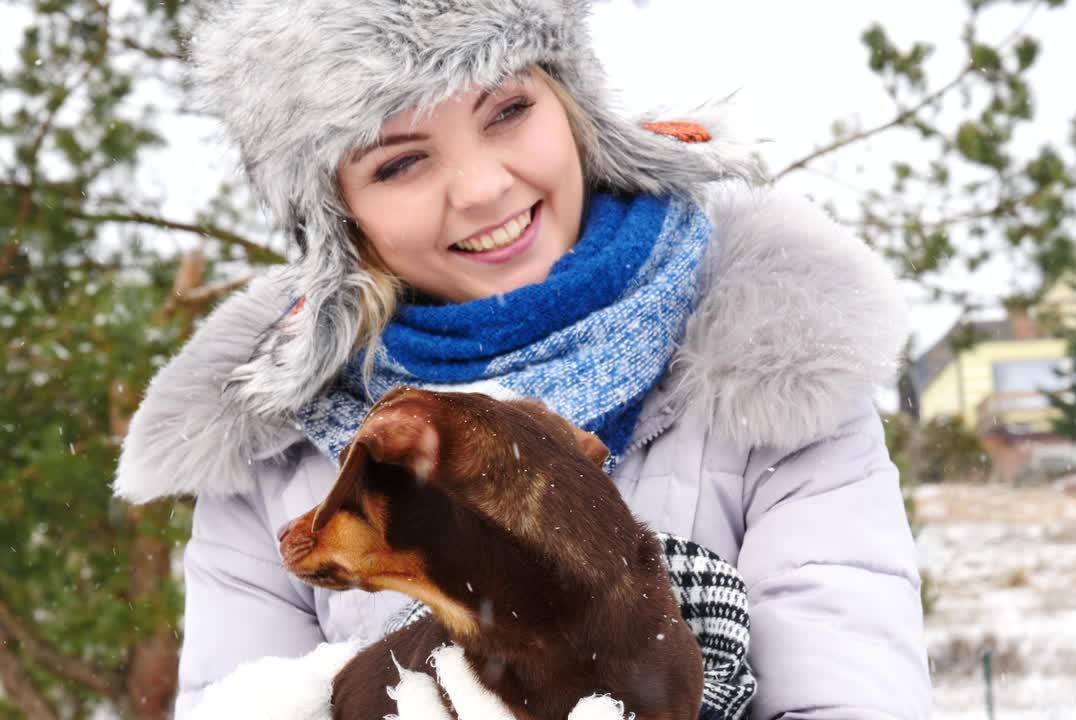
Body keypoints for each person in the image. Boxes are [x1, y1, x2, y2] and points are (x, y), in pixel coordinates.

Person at [114, 1, 931, 717]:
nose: (480, 187)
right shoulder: (269, 456)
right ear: (340, 217)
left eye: (506, 110)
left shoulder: (773, 364)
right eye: (399, 162)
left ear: (572, 106)